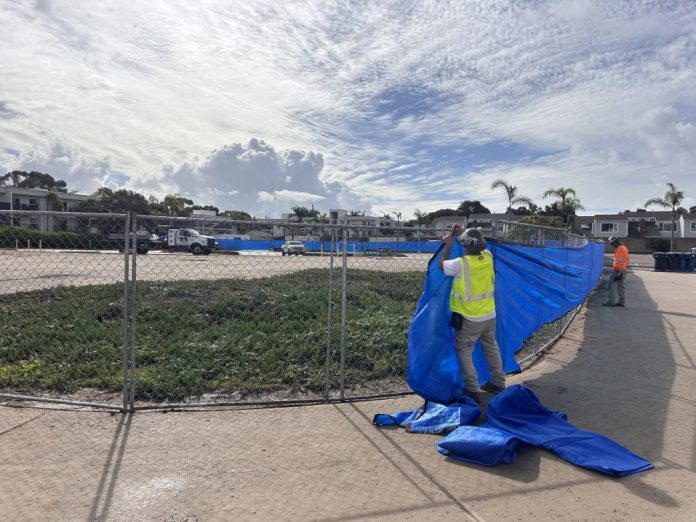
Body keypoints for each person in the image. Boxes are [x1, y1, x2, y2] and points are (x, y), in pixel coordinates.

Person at [438, 225, 506, 402]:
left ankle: (472, 388)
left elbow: (441, 264)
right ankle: (498, 382)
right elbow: (474, 242)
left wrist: (448, 245)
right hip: (489, 314)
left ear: (464, 246)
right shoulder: (488, 257)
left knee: (464, 350)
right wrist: (464, 232)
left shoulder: (460, 264)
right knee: (491, 346)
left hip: (470, 318)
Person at [603, 236, 629, 307]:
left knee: (611, 286)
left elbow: (621, 261)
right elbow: (624, 260)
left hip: (618, 270)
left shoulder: (619, 249)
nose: (612, 245)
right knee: (621, 287)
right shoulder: (623, 248)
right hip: (622, 270)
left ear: (616, 242)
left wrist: (619, 272)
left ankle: (611, 302)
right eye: (611, 243)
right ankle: (622, 302)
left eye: (612, 243)